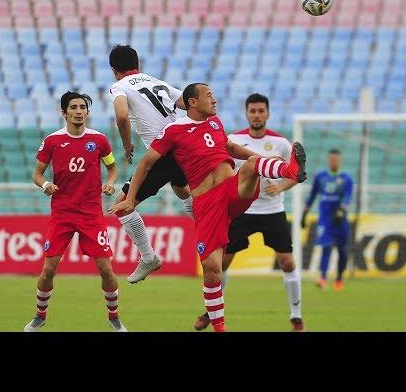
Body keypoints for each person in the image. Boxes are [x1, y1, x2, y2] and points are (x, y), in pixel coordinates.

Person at [110, 83, 307, 332]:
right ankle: (219, 328)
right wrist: (131, 198)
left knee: (254, 164)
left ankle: (290, 170)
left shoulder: (216, 123)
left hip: (232, 192)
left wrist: (265, 161)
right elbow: (146, 165)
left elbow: (231, 148)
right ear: (193, 102)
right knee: (212, 269)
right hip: (206, 204)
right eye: (209, 95)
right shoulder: (174, 131)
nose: (214, 100)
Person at [194, 93, 305, 332]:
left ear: (267, 114)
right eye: (252, 111)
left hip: (273, 210)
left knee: (287, 262)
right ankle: (211, 311)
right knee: (221, 263)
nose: (257, 115)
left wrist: (282, 186)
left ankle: (296, 316)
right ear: (247, 113)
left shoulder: (281, 143)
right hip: (242, 210)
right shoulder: (234, 139)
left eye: (261, 111)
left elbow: (295, 175)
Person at [24, 91, 127, 332]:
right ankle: (40, 315)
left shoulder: (99, 140)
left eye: (83, 107)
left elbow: (112, 169)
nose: (79, 111)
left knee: (106, 269)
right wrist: (46, 184)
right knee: (49, 269)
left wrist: (111, 182)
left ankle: (114, 317)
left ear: (87, 112)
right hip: (62, 213)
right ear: (64, 112)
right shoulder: (52, 141)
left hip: (91, 213)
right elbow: (37, 174)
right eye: (74, 107)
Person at [108, 44, 193, 284]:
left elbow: (122, 115)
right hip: (184, 144)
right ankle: (210, 233)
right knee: (182, 189)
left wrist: (126, 144)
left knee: (123, 206)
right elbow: (188, 103)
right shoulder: (157, 82)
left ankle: (148, 257)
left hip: (164, 151)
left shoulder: (119, 86)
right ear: (138, 65)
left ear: (114, 71)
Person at [301, 149, 354, 291]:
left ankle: (339, 278)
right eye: (331, 159)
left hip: (340, 219)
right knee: (326, 246)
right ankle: (323, 278)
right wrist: (305, 212)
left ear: (340, 161)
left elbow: (348, 196)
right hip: (325, 218)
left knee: (343, 250)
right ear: (328, 160)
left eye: (336, 159)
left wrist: (342, 210)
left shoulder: (347, 178)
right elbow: (312, 195)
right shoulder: (321, 176)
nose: (333, 162)